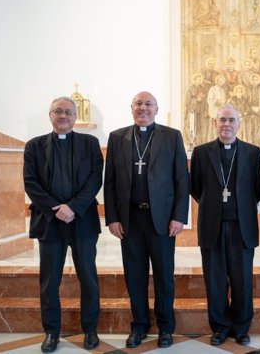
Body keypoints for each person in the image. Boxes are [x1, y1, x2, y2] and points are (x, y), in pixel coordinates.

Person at [104, 91, 189, 349]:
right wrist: (112, 218)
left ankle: (165, 328)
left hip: (162, 220)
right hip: (130, 219)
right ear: (131, 108)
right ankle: (139, 326)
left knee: (164, 276)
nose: (143, 108)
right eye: (138, 104)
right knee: (135, 276)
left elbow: (181, 180)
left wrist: (178, 216)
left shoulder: (171, 136)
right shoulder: (118, 137)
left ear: (157, 109)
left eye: (148, 104)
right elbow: (110, 183)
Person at [23, 97, 103, 353]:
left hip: (82, 221)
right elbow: (31, 182)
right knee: (49, 282)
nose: (63, 116)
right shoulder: (34, 146)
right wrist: (57, 210)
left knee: (88, 278)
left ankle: (90, 330)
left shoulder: (90, 144)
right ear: (50, 115)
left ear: (75, 116)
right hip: (50, 222)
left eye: (68, 112)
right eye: (58, 111)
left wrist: (73, 207)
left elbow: (95, 179)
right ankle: (51, 332)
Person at [190, 105, 260, 346]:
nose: (227, 124)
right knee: (215, 279)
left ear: (239, 124)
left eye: (232, 120)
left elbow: (258, 188)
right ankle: (220, 327)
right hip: (212, 224)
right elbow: (196, 187)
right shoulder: (201, 152)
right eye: (222, 120)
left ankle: (241, 327)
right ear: (215, 123)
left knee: (242, 280)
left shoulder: (252, 153)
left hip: (242, 226)